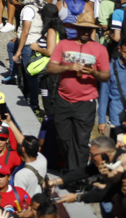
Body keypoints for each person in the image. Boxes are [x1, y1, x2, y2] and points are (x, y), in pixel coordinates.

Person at [46, 11, 109, 170]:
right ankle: (72, 167)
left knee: (81, 141)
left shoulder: (100, 49)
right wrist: (68, 67)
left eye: (89, 30)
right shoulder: (64, 45)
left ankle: (75, 177)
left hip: (85, 103)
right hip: (63, 100)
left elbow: (106, 75)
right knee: (63, 138)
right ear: (76, 28)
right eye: (82, 29)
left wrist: (94, 72)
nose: (85, 32)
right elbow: (51, 68)